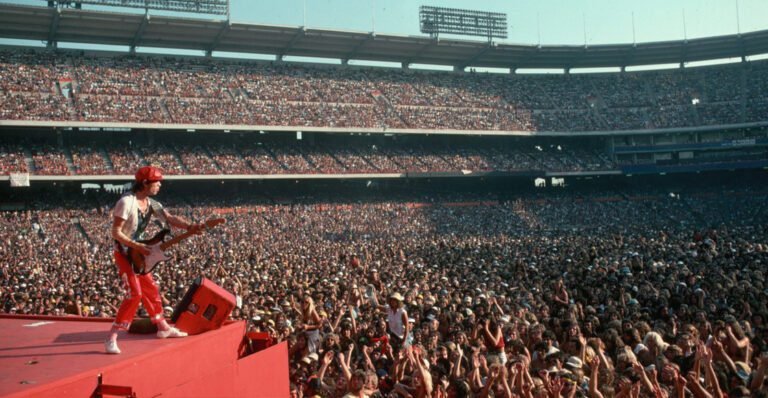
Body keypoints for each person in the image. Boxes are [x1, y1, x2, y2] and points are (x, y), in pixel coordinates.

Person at [104, 166, 203, 354]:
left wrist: (191, 226)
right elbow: (115, 232)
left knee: (151, 290)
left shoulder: (151, 203)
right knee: (135, 294)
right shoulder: (126, 202)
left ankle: (163, 328)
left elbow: (170, 218)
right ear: (145, 183)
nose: (159, 185)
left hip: (138, 251)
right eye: (157, 182)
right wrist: (136, 246)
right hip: (125, 253)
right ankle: (112, 337)